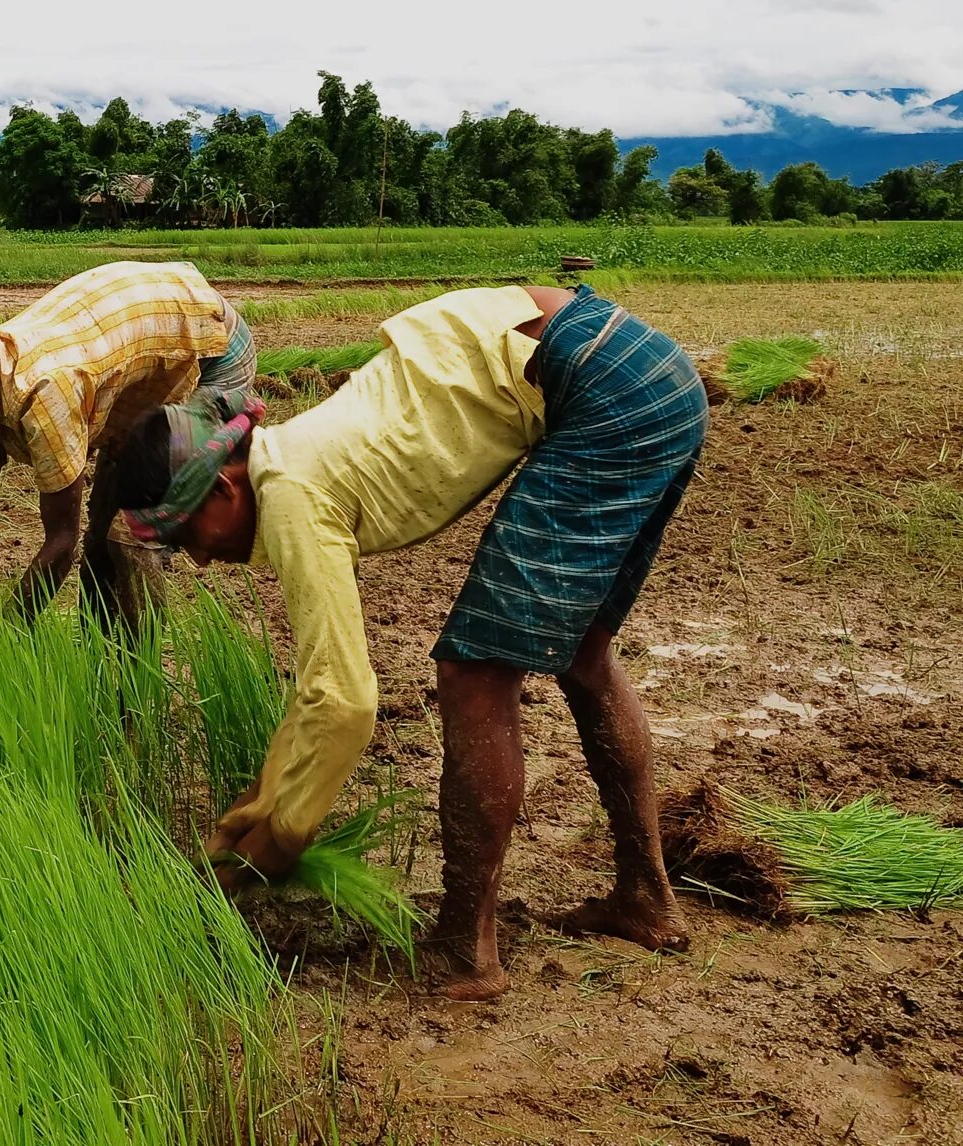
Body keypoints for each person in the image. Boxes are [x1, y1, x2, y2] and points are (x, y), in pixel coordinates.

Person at [92, 283, 708, 1000]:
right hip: (641, 368)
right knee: (583, 654)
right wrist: (254, 810)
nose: (197, 560)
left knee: (473, 674)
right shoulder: (287, 461)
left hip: (602, 383)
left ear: (225, 491)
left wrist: (276, 840)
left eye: (185, 536)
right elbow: (321, 691)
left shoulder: (288, 492)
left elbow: (346, 703)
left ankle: (465, 949)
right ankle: (645, 896)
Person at [0, 261, 255, 621]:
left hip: (209, 346)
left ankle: (140, 678)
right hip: (128, 362)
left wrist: (0, 635)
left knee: (128, 535)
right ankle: (99, 657)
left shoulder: (45, 391)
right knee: (100, 533)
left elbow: (60, 544)